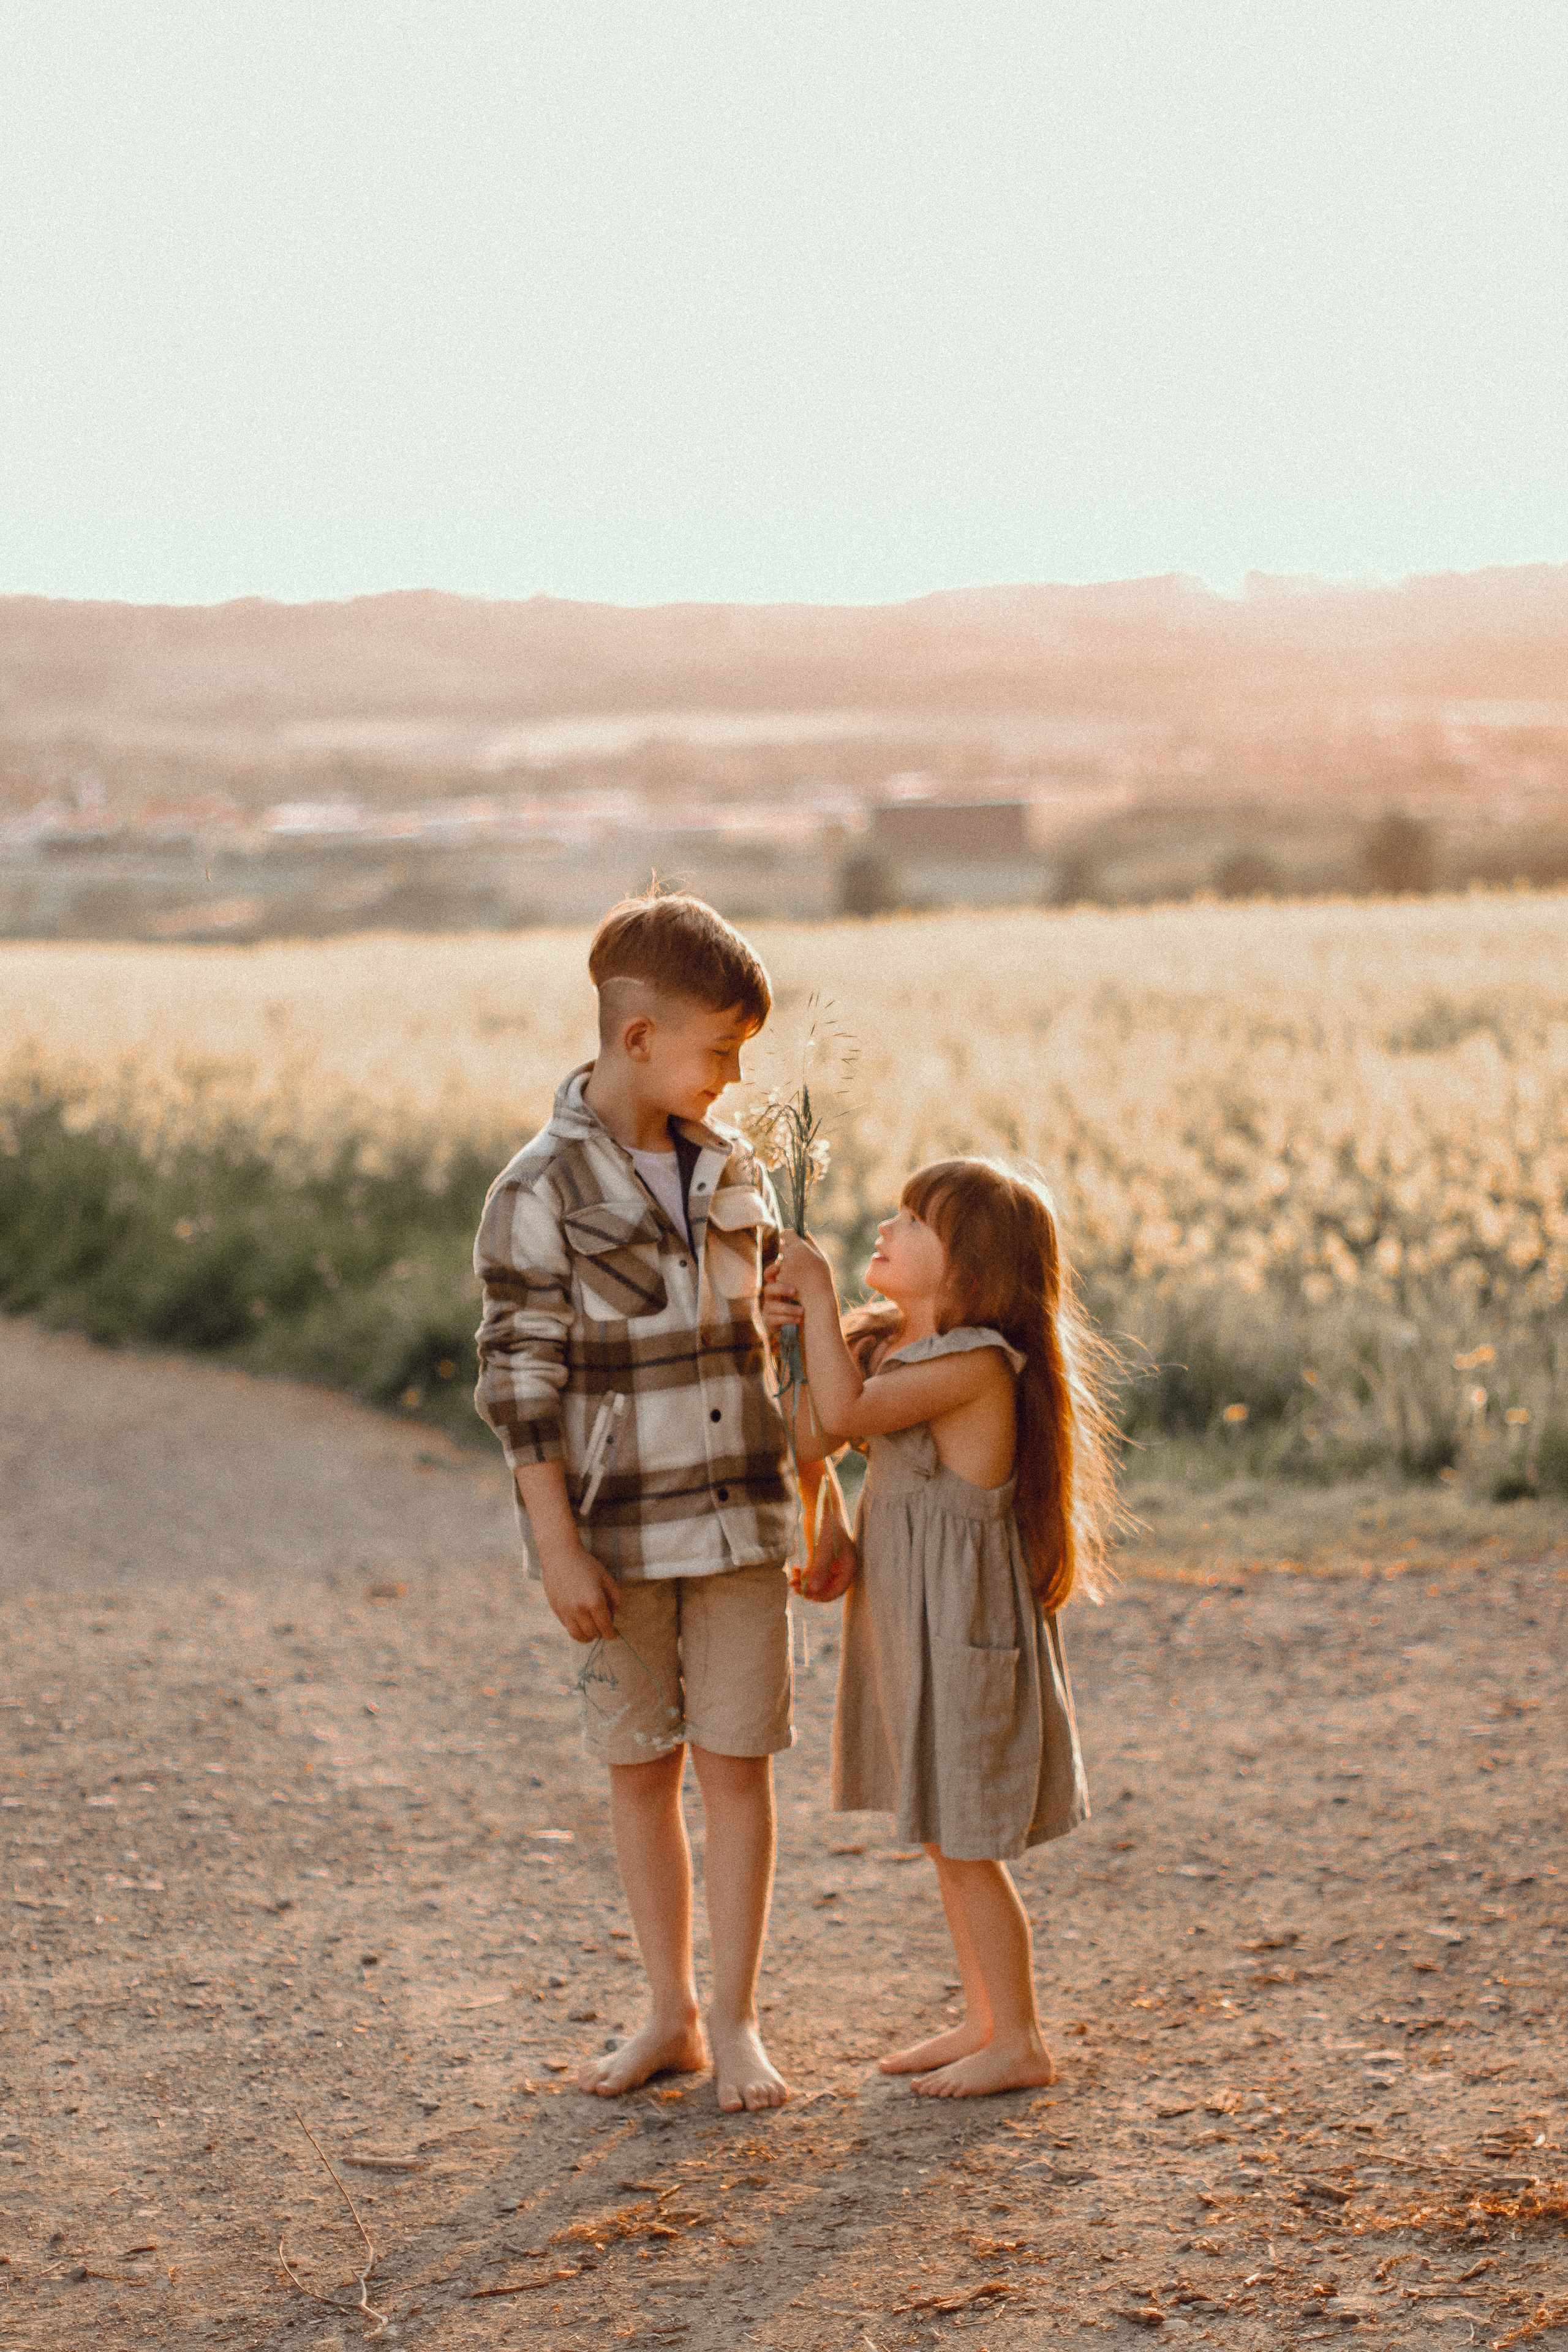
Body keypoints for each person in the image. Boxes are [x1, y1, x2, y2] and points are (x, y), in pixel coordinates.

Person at [473, 892, 796, 2113]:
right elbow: (519, 1384)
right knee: (638, 1767)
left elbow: (754, 1345)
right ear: (641, 1036)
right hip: (614, 1532)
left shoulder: (732, 1169)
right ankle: (668, 2013)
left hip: (743, 1519)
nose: (731, 1076)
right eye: (720, 1052)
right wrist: (555, 1549)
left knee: (738, 1767)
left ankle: (739, 2021)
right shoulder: (536, 1189)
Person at [762, 1157, 1117, 2098]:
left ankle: (1022, 2040)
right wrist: (823, 1499)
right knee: (943, 1838)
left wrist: (820, 1290)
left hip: (965, 1636)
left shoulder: (976, 1366)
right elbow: (811, 1434)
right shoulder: (885, 1345)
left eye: (917, 1221)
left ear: (972, 1272)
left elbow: (842, 1413)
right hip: (910, 1624)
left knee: (968, 1843)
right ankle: (985, 2017)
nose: (888, 1226)